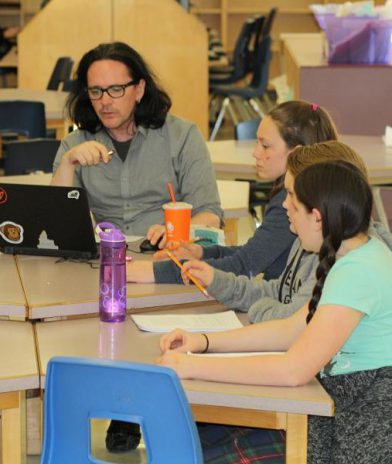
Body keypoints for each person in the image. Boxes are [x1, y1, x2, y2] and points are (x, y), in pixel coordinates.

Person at [160, 160, 392, 463]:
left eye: (293, 205)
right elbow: (292, 329)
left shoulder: (357, 270)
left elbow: (292, 370)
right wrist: (204, 342)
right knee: (208, 442)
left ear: (318, 217)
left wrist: (190, 367)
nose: (285, 207)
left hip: (361, 432)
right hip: (345, 413)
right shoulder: (359, 253)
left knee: (211, 450)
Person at [127, 101, 339, 284]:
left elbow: (244, 265)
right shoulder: (293, 196)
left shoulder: (292, 203)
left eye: (265, 146)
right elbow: (251, 252)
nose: (256, 153)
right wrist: (201, 253)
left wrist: (154, 272)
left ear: (296, 152)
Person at [185, 140, 392, 324]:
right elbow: (281, 291)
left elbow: (295, 322)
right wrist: (217, 281)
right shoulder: (307, 239)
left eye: (292, 194)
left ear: (320, 205)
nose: (285, 204)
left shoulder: (346, 259)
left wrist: (255, 312)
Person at [52, 42, 222, 239]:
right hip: (106, 258)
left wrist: (174, 233)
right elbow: (57, 225)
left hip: (168, 256)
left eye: (116, 89)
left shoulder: (182, 137)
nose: (105, 101)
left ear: (139, 89)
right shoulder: (75, 144)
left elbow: (210, 216)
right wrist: (67, 164)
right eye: (96, 91)